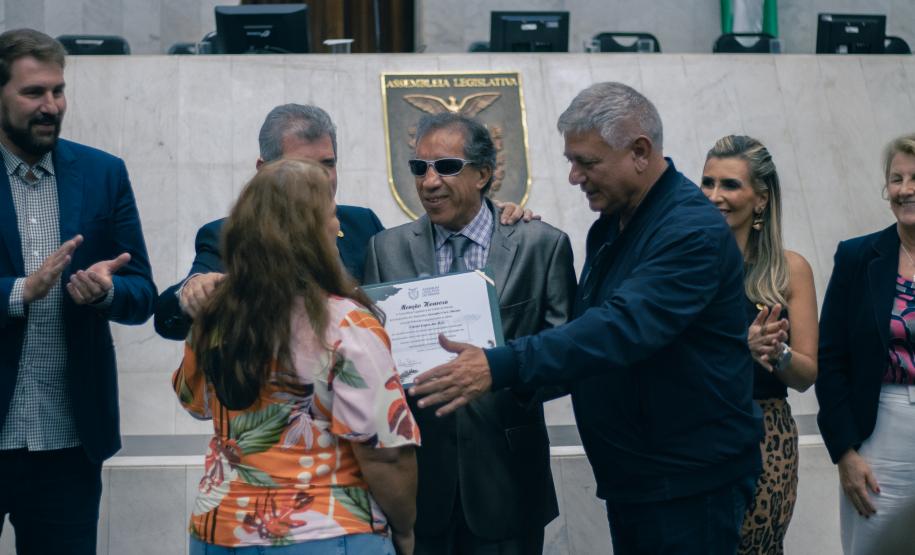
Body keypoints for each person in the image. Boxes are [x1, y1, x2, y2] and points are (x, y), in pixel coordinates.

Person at [410, 82, 763, 554]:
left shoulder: (690, 231)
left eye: (587, 162)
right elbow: (580, 326)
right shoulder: (616, 224)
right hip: (641, 477)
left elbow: (616, 329)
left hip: (687, 482)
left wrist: (497, 365)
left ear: (639, 151)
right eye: (571, 161)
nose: (574, 176)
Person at [173, 158, 420, 554]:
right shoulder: (347, 324)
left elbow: (194, 402)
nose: (337, 227)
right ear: (308, 232)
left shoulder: (214, 318)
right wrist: (405, 530)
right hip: (324, 531)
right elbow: (384, 453)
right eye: (331, 215)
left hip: (218, 531)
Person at [363, 112, 575, 554]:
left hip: (508, 478)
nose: (429, 181)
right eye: (419, 168)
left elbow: (567, 355)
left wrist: (504, 378)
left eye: (446, 167)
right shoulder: (385, 249)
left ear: (483, 174)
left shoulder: (541, 245)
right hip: (419, 486)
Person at [154, 103, 532, 341]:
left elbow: (409, 292)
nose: (323, 178)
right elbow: (167, 320)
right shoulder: (225, 235)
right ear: (263, 170)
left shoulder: (363, 224)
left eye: (329, 163)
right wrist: (191, 289)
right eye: (303, 166)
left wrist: (494, 217)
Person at [0, 29, 156, 553]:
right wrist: (21, 290)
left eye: (58, 91)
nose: (51, 106)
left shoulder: (102, 173)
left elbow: (143, 294)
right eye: (33, 93)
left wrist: (105, 293)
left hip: (69, 445)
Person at [701, 135, 818, 554]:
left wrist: (777, 353)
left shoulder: (790, 269)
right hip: (695, 433)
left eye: (730, 185)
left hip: (766, 438)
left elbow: (805, 375)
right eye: (708, 183)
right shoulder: (687, 266)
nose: (715, 196)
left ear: (762, 198)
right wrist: (740, 347)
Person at [816, 133, 915, 555]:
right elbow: (831, 358)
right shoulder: (857, 258)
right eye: (897, 179)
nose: (906, 190)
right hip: (880, 430)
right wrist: (844, 452)